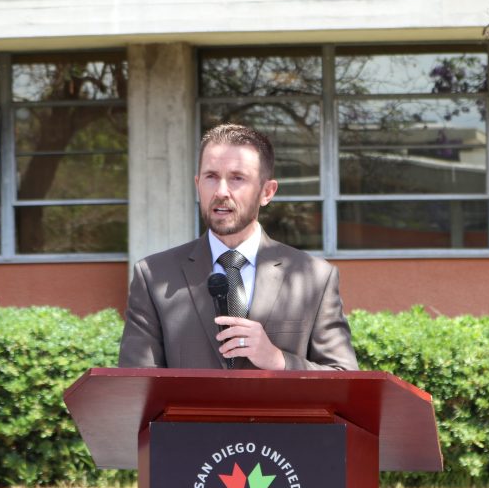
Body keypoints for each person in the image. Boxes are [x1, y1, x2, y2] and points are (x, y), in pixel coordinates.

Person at [118, 123, 358, 371]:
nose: (221, 192)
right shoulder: (154, 275)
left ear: (267, 192)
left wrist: (279, 360)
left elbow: (344, 378)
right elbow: (135, 384)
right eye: (211, 177)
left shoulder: (316, 278)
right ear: (198, 184)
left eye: (237, 178)